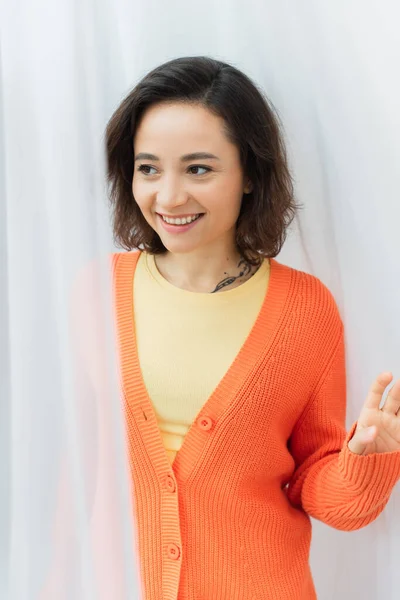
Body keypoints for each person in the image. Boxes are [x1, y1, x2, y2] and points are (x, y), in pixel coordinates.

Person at [105, 56, 400, 600]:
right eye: (148, 168)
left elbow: (325, 492)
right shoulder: (92, 297)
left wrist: (366, 458)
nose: (168, 197)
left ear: (249, 176)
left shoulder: (305, 311)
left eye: (199, 169)